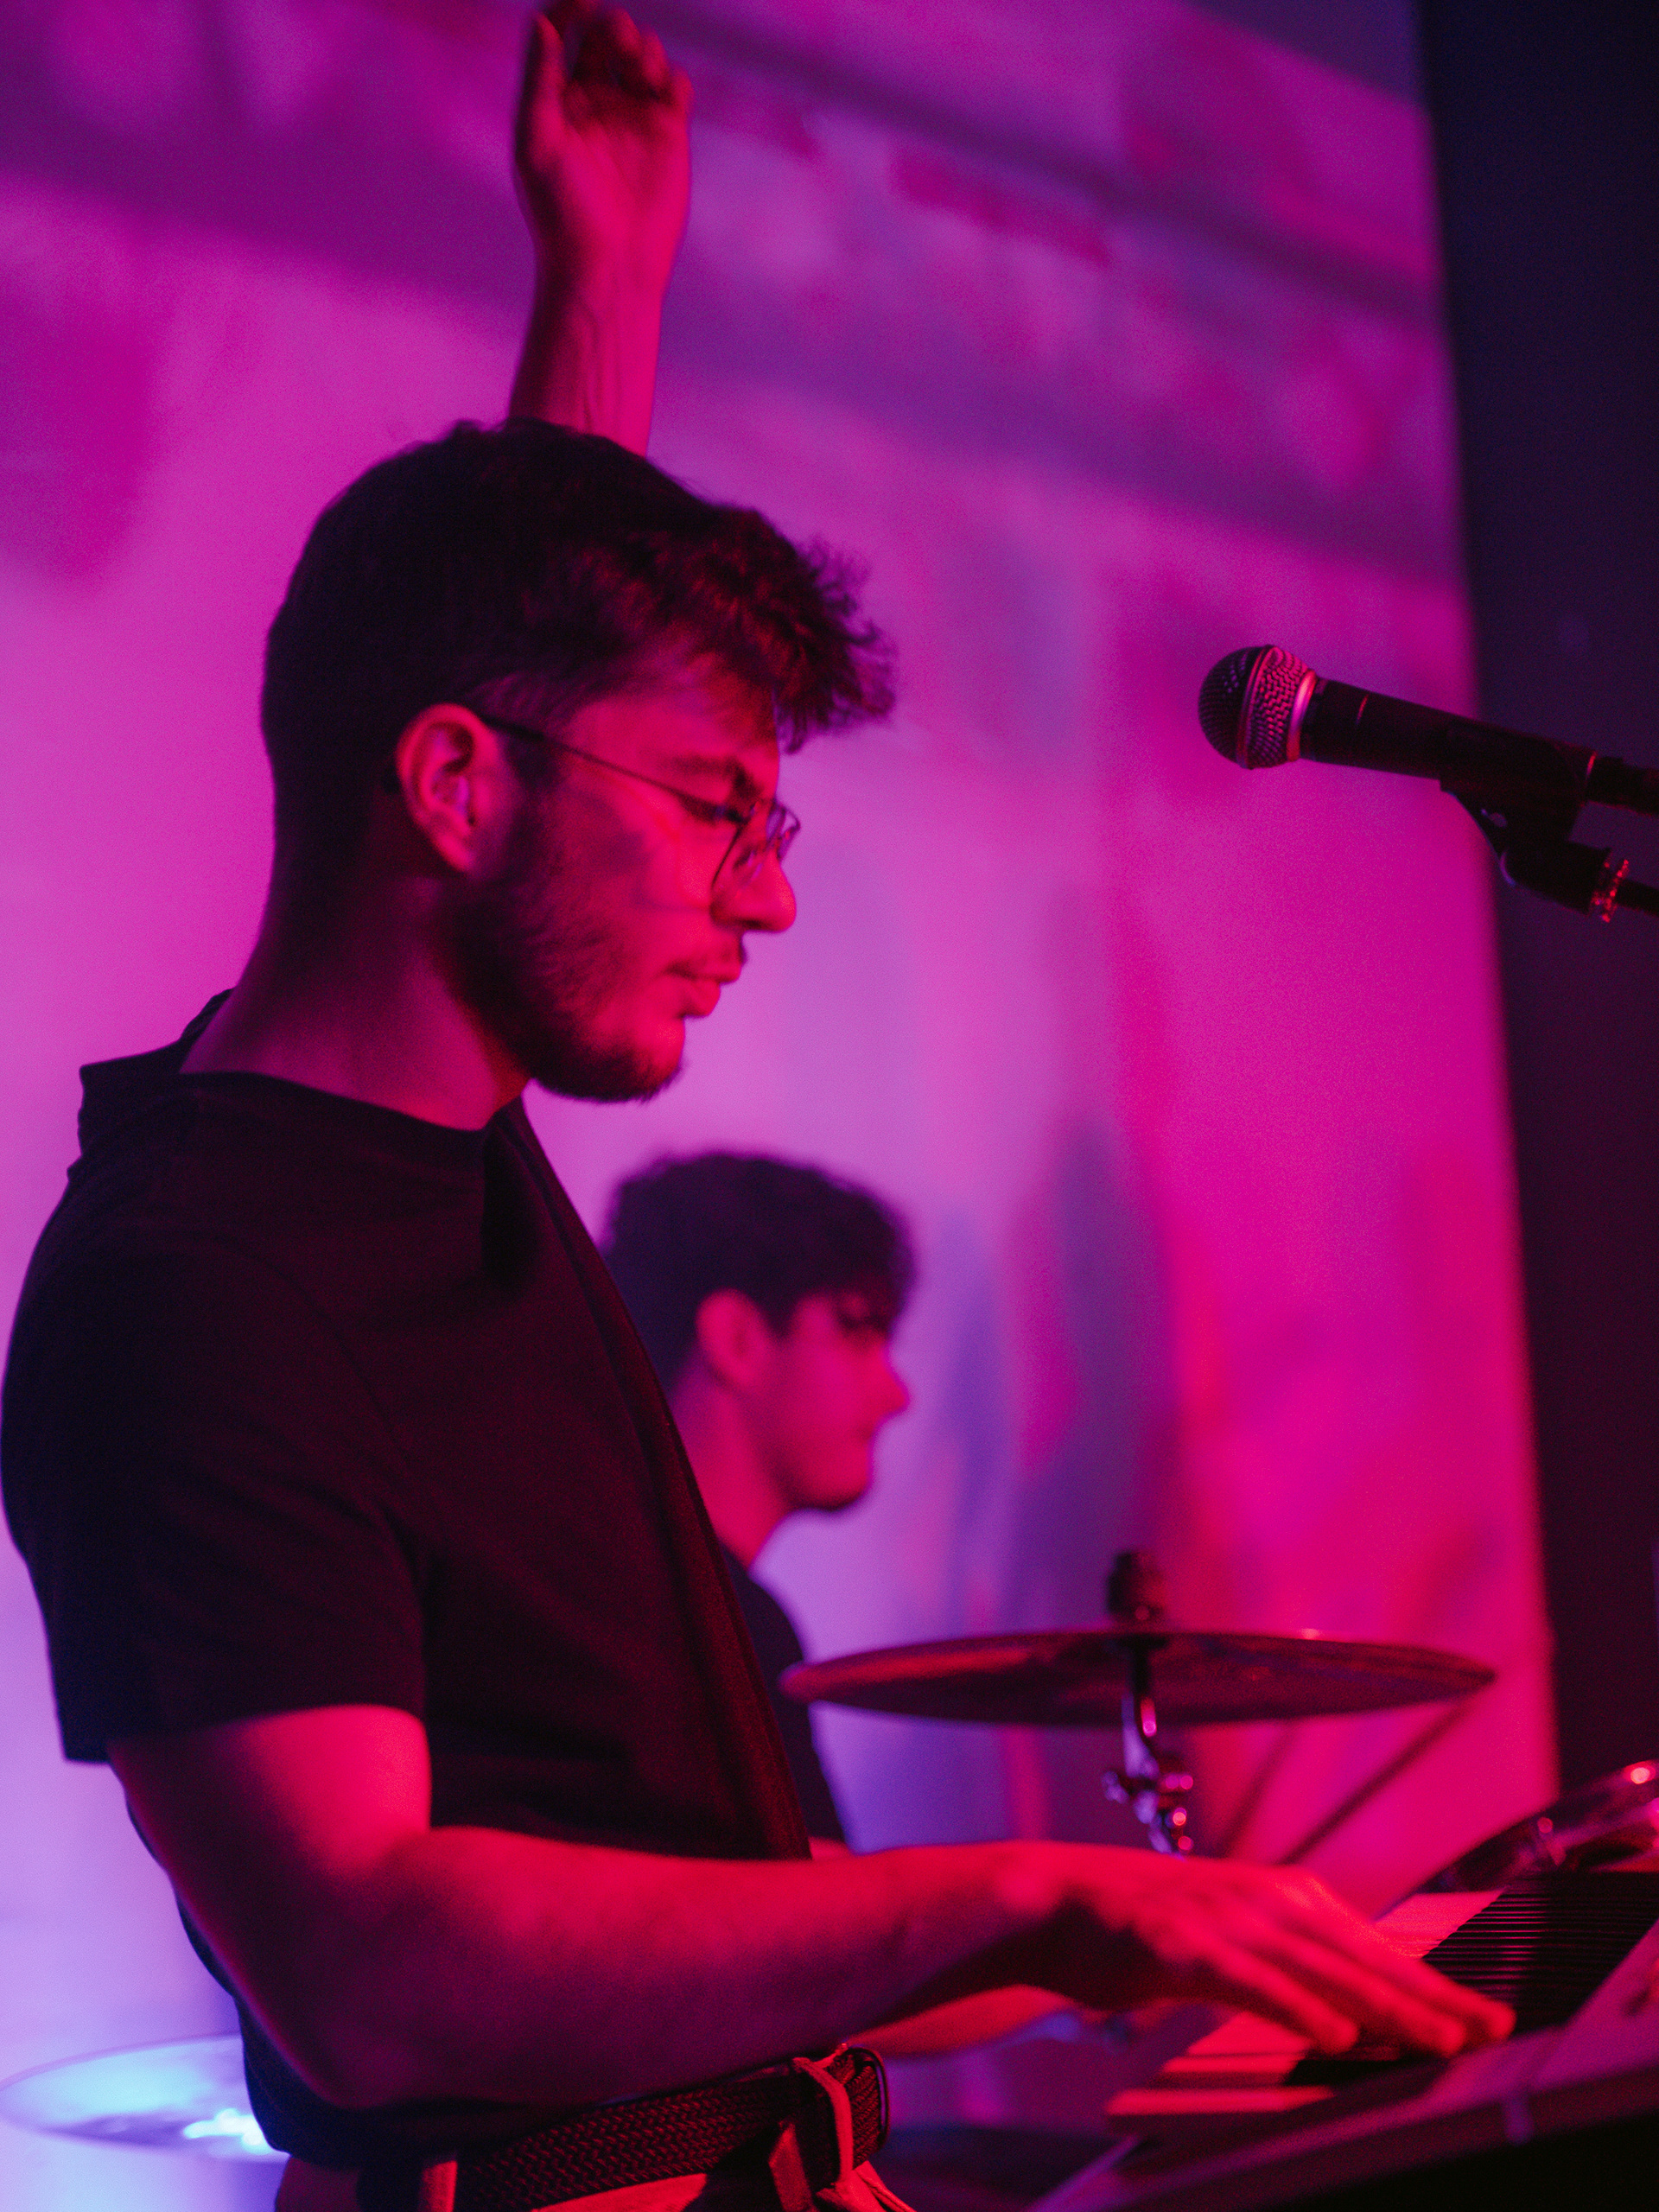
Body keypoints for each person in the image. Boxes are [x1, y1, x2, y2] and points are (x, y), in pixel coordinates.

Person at [0, 9, 1513, 2212]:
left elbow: (518, 631)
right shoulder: (198, 1293)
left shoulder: (423, 1141)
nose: (767, 893)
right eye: (722, 808)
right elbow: (368, 1971)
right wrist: (1025, 1891)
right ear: (451, 790)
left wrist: (604, 271)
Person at [603, 1152, 916, 1845]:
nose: (897, 1394)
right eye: (857, 1333)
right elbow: (815, 1899)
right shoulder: (710, 1619)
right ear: (737, 1339)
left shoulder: (633, 1586)